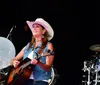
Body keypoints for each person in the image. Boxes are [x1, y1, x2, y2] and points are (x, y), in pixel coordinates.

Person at [9, 18, 55, 85]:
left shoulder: (48, 45)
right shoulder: (28, 45)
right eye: (33, 27)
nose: (34, 28)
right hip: (24, 79)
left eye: (37, 26)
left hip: (40, 80)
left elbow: (47, 68)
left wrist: (38, 63)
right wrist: (14, 62)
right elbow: (13, 60)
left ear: (43, 31)